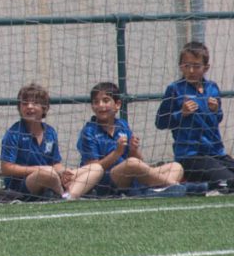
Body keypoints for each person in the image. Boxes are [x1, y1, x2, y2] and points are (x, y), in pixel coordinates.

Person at [77, 82, 185, 196]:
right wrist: (116, 153)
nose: (100, 105)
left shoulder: (122, 125)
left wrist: (134, 150)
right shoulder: (89, 131)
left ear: (117, 104)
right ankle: (174, 185)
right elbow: (92, 169)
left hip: (129, 176)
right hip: (106, 181)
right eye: (96, 102)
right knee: (131, 164)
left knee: (176, 167)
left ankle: (152, 192)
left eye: (105, 100)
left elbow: (140, 162)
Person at [0, 83, 103, 200]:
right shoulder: (13, 133)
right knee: (47, 173)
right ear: (19, 108)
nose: (29, 106)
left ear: (45, 108)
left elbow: (55, 163)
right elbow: (6, 169)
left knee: (96, 168)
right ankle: (61, 194)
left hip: (52, 177)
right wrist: (38, 169)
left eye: (35, 103)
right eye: (25, 103)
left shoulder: (50, 132)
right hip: (23, 184)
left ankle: (70, 196)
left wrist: (64, 171)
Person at [155, 41, 232, 191]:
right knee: (229, 181)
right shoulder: (175, 89)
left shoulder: (212, 88)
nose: (190, 70)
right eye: (186, 66)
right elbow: (160, 122)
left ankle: (209, 185)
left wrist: (216, 110)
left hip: (216, 153)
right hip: (191, 156)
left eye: (196, 66)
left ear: (206, 68)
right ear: (180, 66)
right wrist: (181, 114)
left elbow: (217, 119)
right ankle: (197, 188)